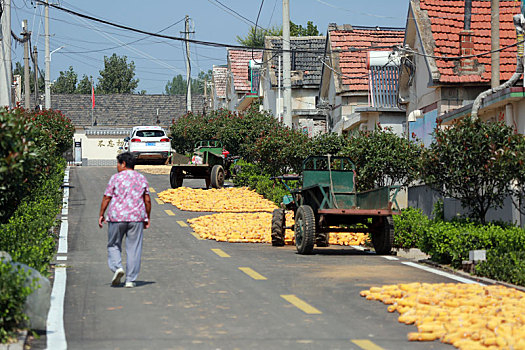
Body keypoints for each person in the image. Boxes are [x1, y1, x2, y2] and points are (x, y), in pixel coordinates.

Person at [98, 152, 151, 288]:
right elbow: (147, 200)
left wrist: (101, 214)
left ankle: (117, 268)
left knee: (114, 245)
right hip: (136, 217)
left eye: (118, 163)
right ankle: (130, 280)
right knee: (134, 248)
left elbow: (107, 197)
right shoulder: (141, 178)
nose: (117, 166)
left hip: (117, 217)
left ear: (124, 164)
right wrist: (147, 216)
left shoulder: (115, 178)